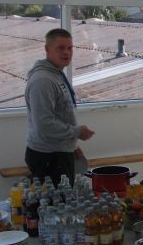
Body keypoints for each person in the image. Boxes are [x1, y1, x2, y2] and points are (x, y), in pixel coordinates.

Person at [25, 28, 95, 185]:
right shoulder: (43, 81)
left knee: (65, 202)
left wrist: (72, 145)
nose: (66, 53)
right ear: (47, 49)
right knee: (55, 206)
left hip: (60, 151)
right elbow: (44, 124)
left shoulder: (56, 74)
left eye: (70, 48)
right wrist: (77, 132)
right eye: (61, 48)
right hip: (49, 156)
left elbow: (61, 114)